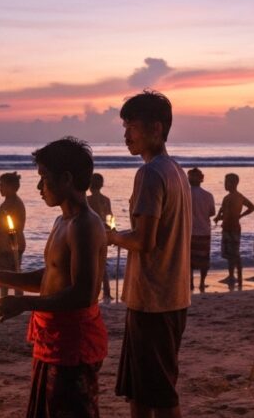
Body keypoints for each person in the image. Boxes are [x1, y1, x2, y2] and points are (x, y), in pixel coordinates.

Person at [0, 138, 109, 418]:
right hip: (53, 339)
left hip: (73, 343)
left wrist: (24, 305)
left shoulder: (85, 225)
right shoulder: (62, 222)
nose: (39, 187)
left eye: (44, 178)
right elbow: (50, 277)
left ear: (66, 179)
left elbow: (84, 294)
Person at [107, 90, 192, 418]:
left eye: (132, 127)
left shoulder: (151, 173)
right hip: (169, 296)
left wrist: (111, 236)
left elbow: (144, 240)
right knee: (140, 388)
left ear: (156, 128)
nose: (126, 135)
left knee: (159, 392)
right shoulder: (175, 171)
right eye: (124, 127)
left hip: (155, 300)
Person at [215, 173, 254, 288]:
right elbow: (225, 212)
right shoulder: (235, 197)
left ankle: (236, 276)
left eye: (227, 182)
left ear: (234, 183)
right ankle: (232, 275)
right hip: (229, 227)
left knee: (234, 254)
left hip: (232, 228)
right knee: (230, 254)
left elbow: (251, 207)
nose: (225, 184)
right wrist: (219, 217)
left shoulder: (231, 197)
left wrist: (240, 216)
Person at [187, 168, 216, 293]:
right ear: (201, 179)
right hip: (204, 231)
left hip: (189, 231)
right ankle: (202, 283)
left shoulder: (185, 193)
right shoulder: (208, 195)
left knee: (189, 260)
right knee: (204, 259)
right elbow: (212, 212)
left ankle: (191, 282)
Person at [87, 172, 114, 301]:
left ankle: (93, 292)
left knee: (92, 263)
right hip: (104, 233)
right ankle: (107, 292)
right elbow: (110, 217)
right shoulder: (106, 200)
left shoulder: (88, 200)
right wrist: (112, 229)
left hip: (91, 233)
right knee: (102, 263)